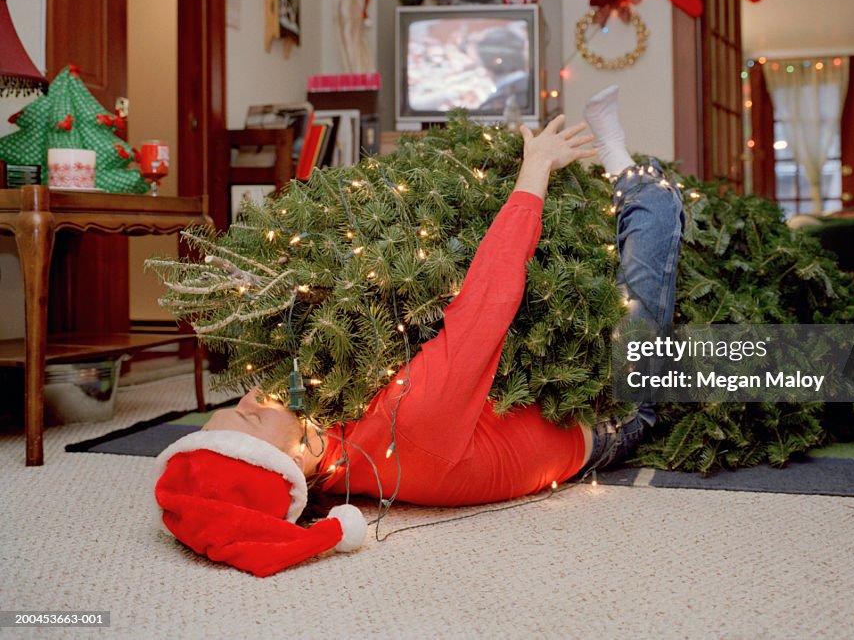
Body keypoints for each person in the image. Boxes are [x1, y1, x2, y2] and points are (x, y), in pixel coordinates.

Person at [154, 86, 685, 576]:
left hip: (511, 402)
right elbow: (489, 300)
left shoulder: (327, 445)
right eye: (250, 417)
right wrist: (536, 168)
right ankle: (623, 163)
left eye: (235, 403)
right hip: (605, 415)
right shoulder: (408, 426)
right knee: (657, 209)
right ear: (291, 462)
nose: (252, 395)